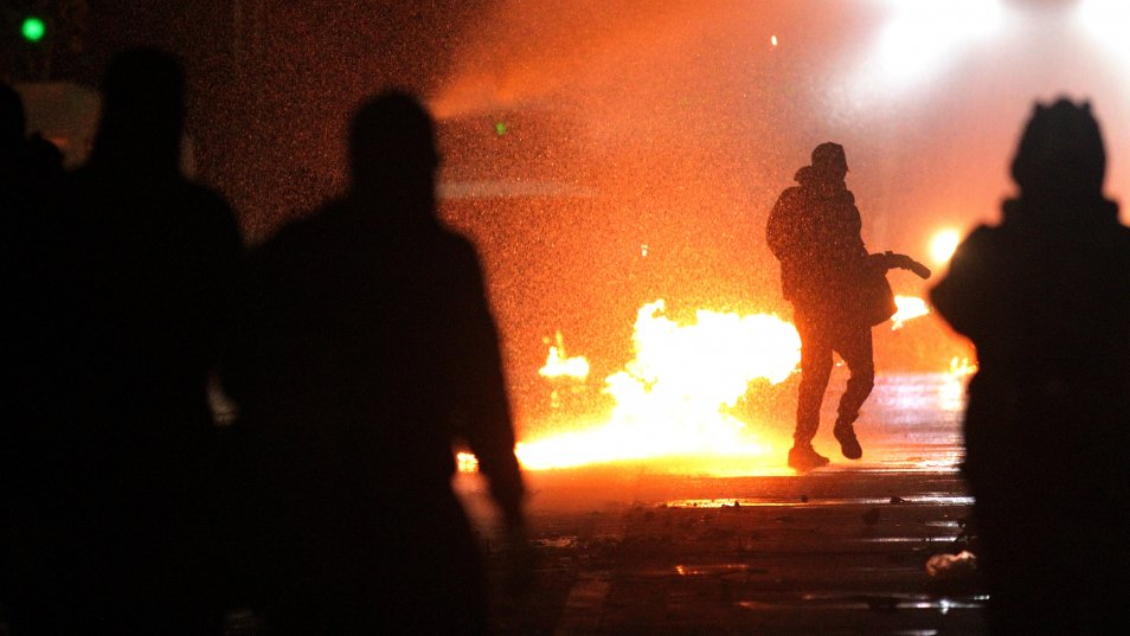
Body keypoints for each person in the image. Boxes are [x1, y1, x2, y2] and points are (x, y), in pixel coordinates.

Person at [223, 91, 527, 634]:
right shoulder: (443, 260)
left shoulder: (299, 252)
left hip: (319, 529)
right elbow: (482, 390)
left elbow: (236, 363)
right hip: (415, 517)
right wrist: (511, 510)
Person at [3, 50, 243, 635]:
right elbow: (245, 363)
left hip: (72, 492)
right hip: (173, 492)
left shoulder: (62, 213)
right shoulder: (202, 221)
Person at [931, 99, 1130, 634]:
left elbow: (953, 302)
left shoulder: (996, 247)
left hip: (1019, 444)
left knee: (1022, 599)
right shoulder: (1118, 252)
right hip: (1097, 451)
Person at [766, 143, 879, 471]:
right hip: (819, 299)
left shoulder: (844, 203)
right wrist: (808, 266)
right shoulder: (795, 200)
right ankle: (806, 443)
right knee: (824, 372)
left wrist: (870, 266)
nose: (844, 174)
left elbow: (853, 246)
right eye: (840, 168)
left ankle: (832, 430)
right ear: (830, 169)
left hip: (838, 299)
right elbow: (777, 239)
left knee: (854, 372)